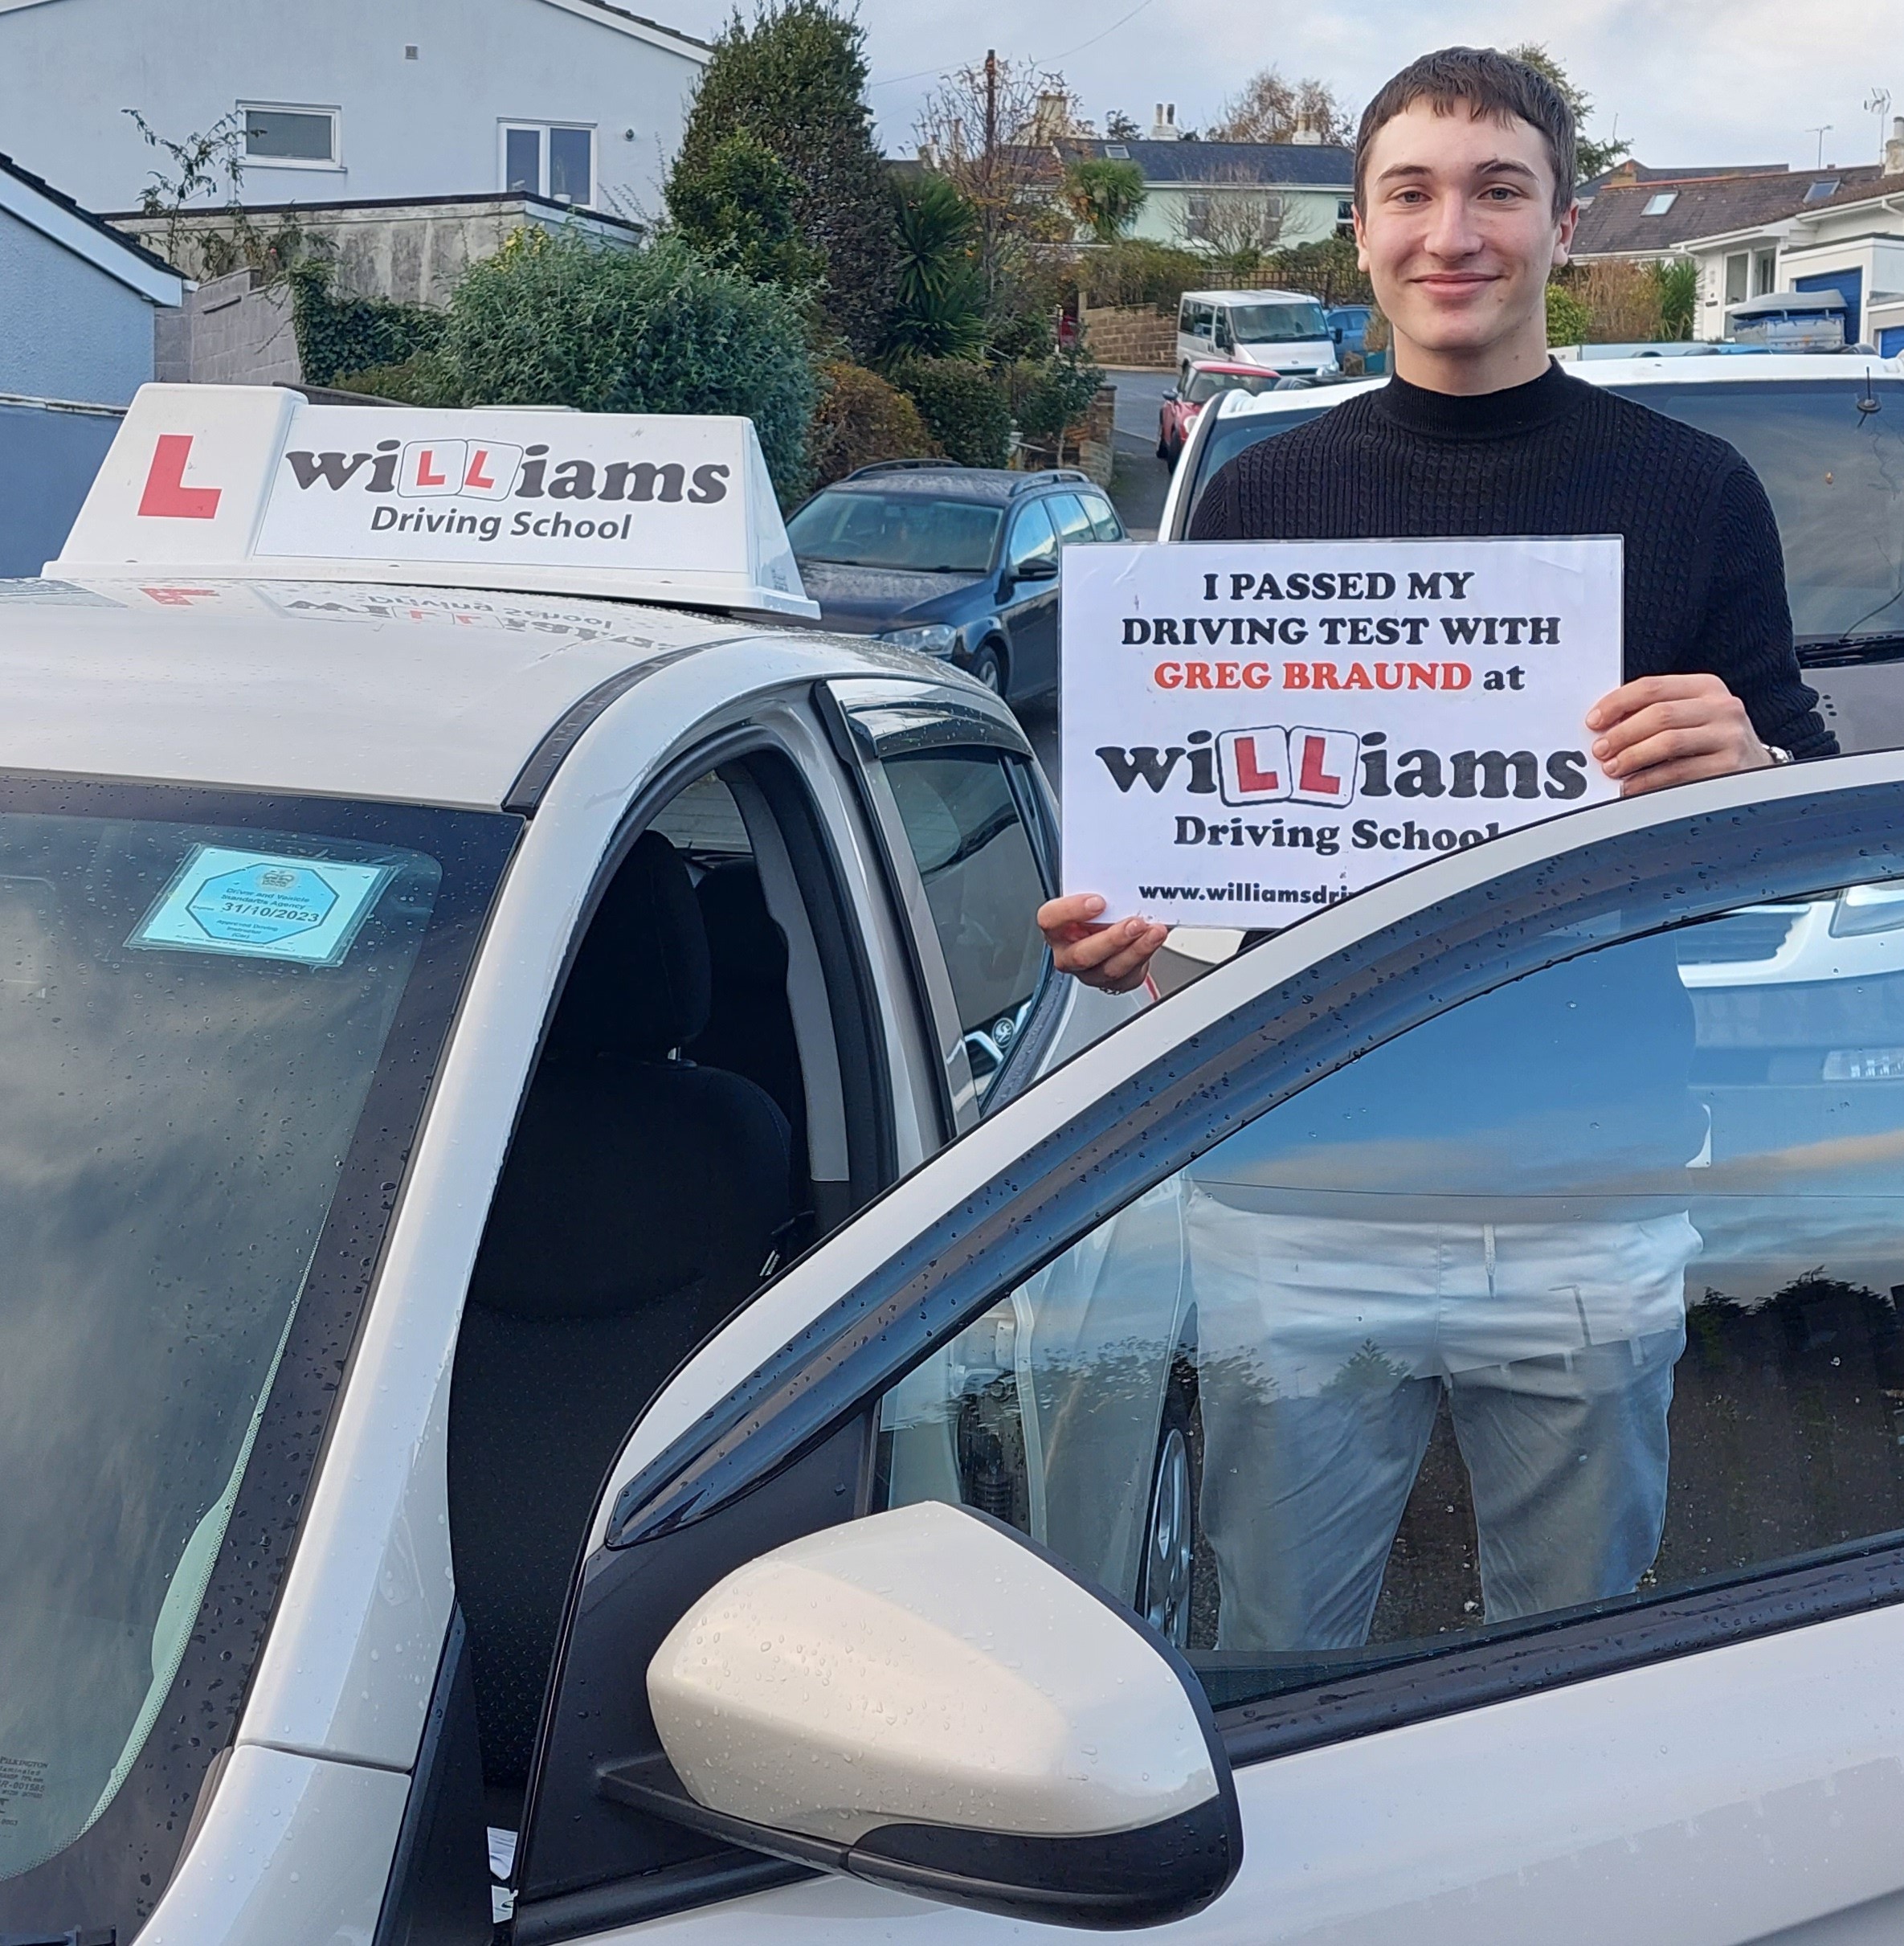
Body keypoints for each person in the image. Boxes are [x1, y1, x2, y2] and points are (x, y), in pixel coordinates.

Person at [1036, 47, 1837, 1654]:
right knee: (1277, 1650)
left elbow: (1804, 842)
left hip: (1585, 1191)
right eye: (1409, 192)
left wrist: (1751, 765)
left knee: (1573, 1657)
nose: (1451, 232)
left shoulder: (1693, 493)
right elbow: (1212, 853)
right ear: (1358, 230)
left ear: (1564, 225)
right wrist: (1140, 931)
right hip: (1303, 1191)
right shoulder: (1259, 500)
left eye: (1497, 190)